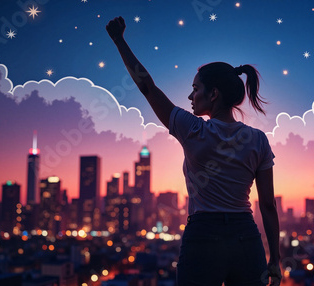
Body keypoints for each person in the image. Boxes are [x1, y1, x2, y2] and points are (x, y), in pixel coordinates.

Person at [106, 16, 281, 286]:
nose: (190, 97)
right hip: (246, 237)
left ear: (213, 94)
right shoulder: (258, 140)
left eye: (195, 89)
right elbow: (268, 206)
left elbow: (147, 87)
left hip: (203, 236)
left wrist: (119, 41)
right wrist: (275, 259)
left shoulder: (193, 130)